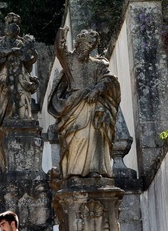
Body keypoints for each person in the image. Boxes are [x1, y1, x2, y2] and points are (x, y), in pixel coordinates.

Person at [48, 27, 120, 179]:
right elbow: (59, 49)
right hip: (73, 106)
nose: (90, 47)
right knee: (76, 137)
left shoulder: (97, 64)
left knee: (95, 136)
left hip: (93, 105)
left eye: (92, 45)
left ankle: (95, 170)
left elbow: (109, 79)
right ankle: (73, 172)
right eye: (87, 43)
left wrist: (97, 89)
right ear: (79, 42)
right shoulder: (69, 60)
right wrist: (62, 33)